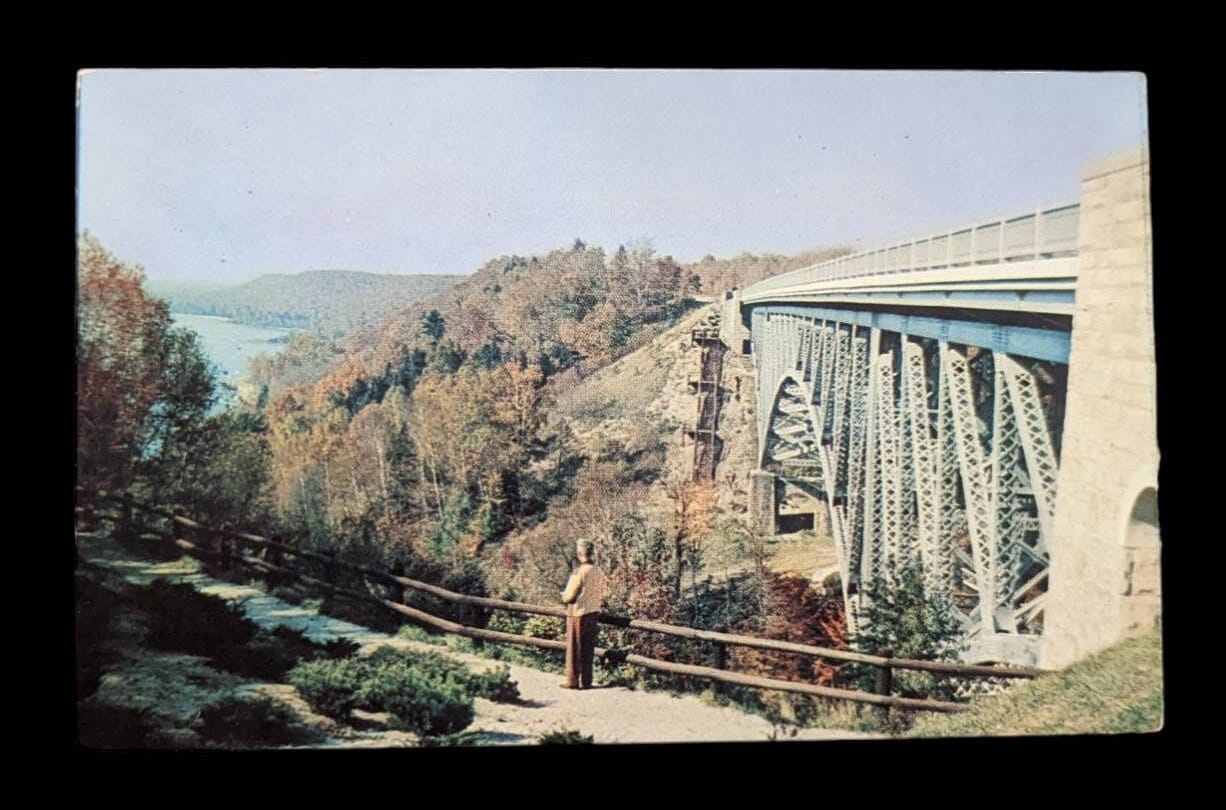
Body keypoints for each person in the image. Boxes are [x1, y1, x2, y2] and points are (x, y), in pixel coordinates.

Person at [560, 538, 606, 689]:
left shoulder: (579, 571)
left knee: (574, 648)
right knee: (588, 648)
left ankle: (572, 680)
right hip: (593, 612)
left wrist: (563, 596)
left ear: (580, 552)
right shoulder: (598, 571)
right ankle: (586, 681)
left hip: (578, 613)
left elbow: (569, 596)